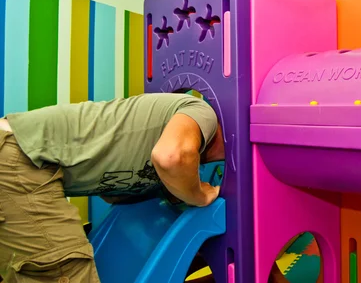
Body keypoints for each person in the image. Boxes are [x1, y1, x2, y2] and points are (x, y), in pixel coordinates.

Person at [0, 93, 288, 282]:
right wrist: (199, 194)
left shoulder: (171, 139)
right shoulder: (201, 112)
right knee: (65, 272)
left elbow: (111, 189)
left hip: (23, 160)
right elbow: (172, 156)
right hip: (19, 158)